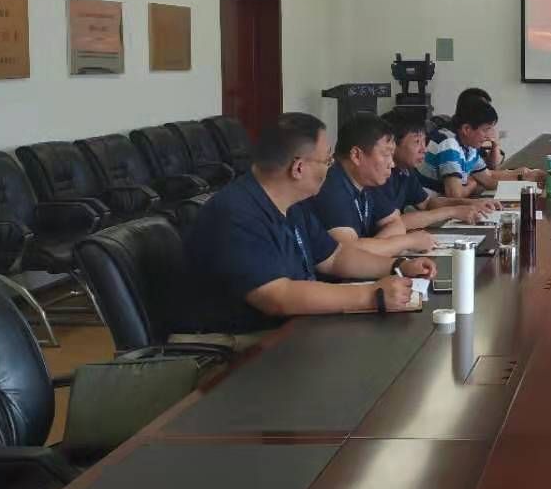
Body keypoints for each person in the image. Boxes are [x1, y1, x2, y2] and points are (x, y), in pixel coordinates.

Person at [177, 112, 436, 342]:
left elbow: (334, 258)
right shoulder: (235, 213)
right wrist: (371, 295)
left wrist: (398, 266)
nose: (331, 168)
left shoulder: (292, 204)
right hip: (239, 343)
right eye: (327, 161)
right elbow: (277, 296)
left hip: (290, 327)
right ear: (298, 168)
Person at [306, 112, 439, 257]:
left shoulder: (366, 181)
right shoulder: (331, 187)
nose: (392, 164)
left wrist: (377, 248)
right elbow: (347, 254)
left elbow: (396, 223)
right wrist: (407, 241)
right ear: (356, 155)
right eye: (386, 154)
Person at [379, 108, 500, 229]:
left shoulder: (405, 171)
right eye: (417, 142)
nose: (424, 149)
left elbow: (427, 203)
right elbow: (393, 223)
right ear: (392, 145)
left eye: (424, 141)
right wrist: (452, 211)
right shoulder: (380, 177)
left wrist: (473, 203)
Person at [420, 97, 544, 198]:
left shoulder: (468, 146)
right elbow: (455, 195)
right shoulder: (448, 144)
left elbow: (488, 178)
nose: (489, 135)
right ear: (466, 129)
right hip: (426, 206)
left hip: (443, 204)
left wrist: (525, 175)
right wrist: (473, 185)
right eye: (485, 130)